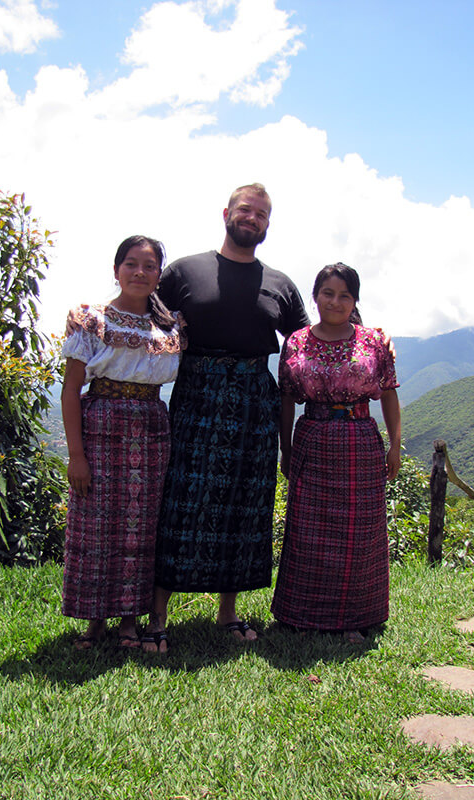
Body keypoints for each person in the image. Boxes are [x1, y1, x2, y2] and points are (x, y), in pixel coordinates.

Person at [145, 183, 309, 650]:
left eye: (260, 213)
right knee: (181, 498)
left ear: (267, 224)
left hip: (257, 400)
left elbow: (303, 347)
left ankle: (227, 611)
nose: (251, 218)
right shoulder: (182, 272)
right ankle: (157, 614)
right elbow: (144, 313)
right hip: (195, 394)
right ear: (226, 213)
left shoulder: (280, 285)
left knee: (245, 502)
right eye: (245, 209)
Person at [60, 235, 186, 650]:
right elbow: (71, 389)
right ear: (116, 270)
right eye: (131, 264)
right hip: (100, 424)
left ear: (158, 276)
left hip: (151, 428)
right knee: (96, 522)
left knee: (141, 523)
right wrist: (76, 456)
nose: (139, 272)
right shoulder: (92, 319)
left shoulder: (169, 327)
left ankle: (131, 620)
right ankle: (94, 621)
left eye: (149, 266)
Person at [271, 263, 401, 643]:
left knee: (359, 532)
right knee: (308, 530)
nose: (335, 301)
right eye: (328, 293)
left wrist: (394, 445)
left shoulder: (374, 341)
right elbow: (286, 400)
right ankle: (301, 613)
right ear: (315, 297)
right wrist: (286, 449)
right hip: (312, 437)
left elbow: (390, 393)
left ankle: (356, 617)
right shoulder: (295, 342)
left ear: (355, 300)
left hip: (360, 440)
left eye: (345, 294)